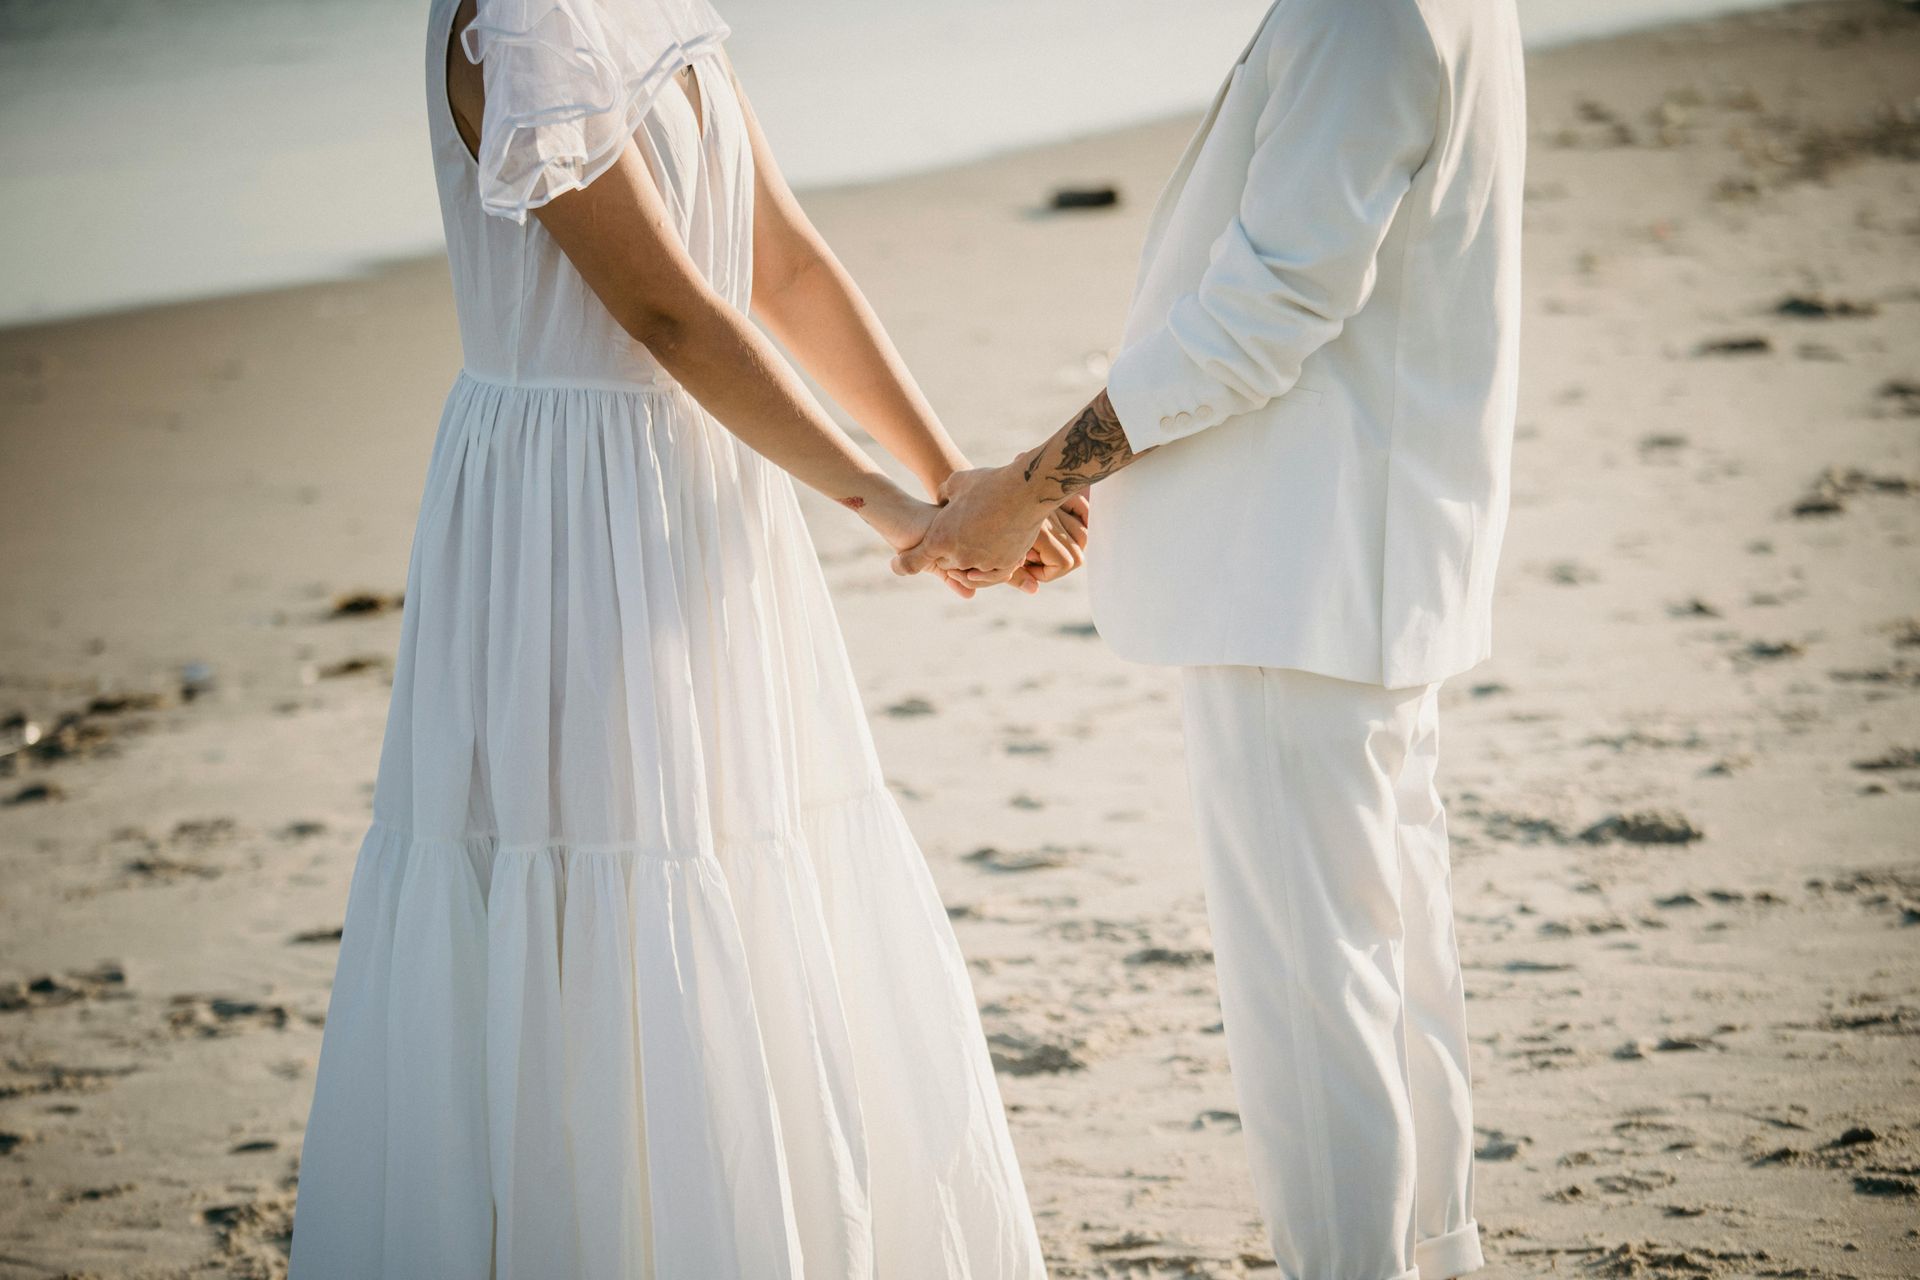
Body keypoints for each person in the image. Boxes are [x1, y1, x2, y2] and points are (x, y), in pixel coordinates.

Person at [286, 0, 1073, 1274]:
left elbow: (787, 269)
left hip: (702, 484)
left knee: (739, 855)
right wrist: (899, 515)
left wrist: (953, 479)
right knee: (597, 877)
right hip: (565, 509)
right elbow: (668, 314)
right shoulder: (521, 21)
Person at [895, 0, 1527, 1275]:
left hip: (1299, 570)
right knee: (1392, 956)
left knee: (1315, 994)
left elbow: (1268, 306)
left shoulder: (1372, 14)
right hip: (1356, 560)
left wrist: (1032, 478)